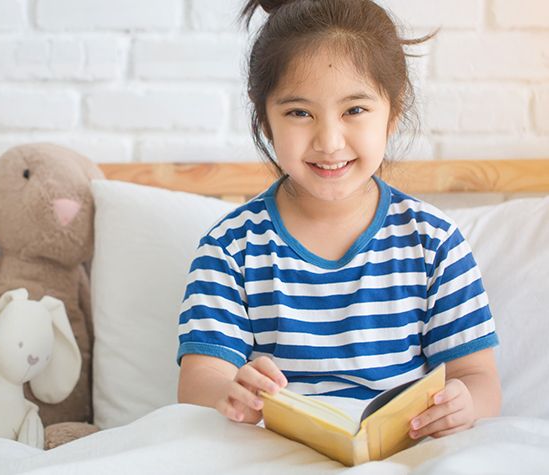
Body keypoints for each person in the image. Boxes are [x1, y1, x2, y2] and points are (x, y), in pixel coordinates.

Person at [176, 0, 501, 441]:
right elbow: (199, 382)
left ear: (394, 112)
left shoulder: (433, 243)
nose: (329, 142)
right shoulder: (230, 248)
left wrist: (463, 403)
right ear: (265, 120)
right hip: (273, 455)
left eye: (354, 110)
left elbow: (479, 379)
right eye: (299, 113)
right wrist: (230, 392)